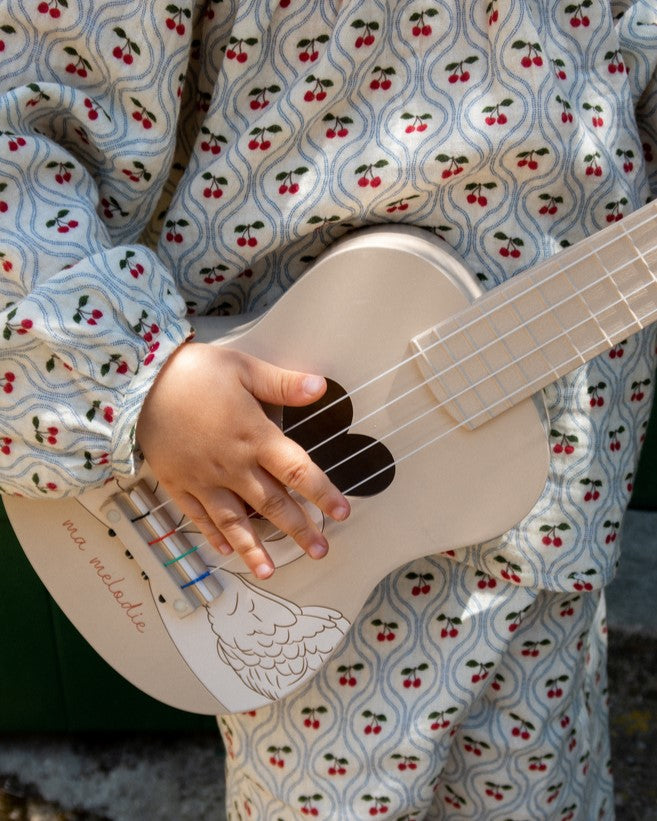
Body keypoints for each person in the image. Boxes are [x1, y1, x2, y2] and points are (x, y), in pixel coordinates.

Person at [1, 0, 656, 817]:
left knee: (538, 772)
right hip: (291, 514)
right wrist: (142, 383)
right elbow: (22, 112)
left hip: (561, 471)